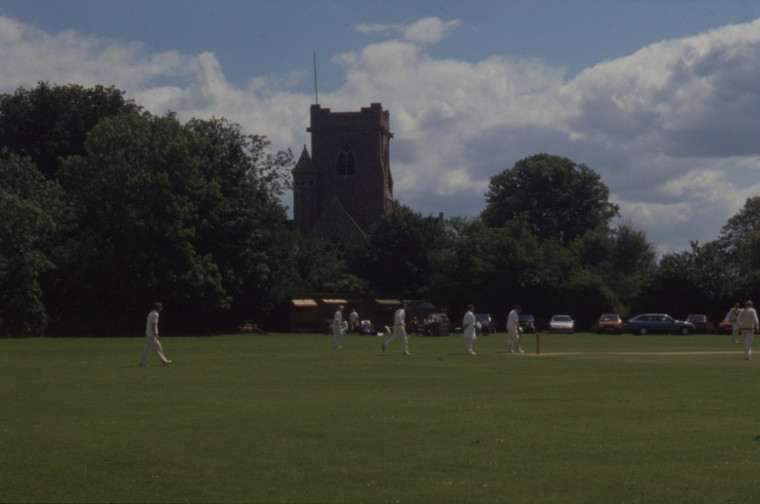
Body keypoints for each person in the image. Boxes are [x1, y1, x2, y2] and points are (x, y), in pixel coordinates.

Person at [138, 302, 171, 367]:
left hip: (149, 333)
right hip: (152, 334)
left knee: (158, 347)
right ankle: (142, 362)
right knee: (148, 348)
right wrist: (155, 334)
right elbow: (154, 325)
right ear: (159, 308)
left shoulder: (151, 313)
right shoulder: (156, 314)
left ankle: (164, 361)